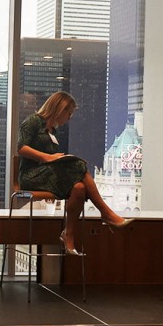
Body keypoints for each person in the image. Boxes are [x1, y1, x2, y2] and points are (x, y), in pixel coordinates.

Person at [18, 91, 132, 255]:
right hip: (30, 176)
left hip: (47, 175)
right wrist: (48, 157)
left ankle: (68, 235)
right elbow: (21, 147)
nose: (69, 118)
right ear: (59, 109)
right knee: (78, 165)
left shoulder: (53, 131)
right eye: (68, 113)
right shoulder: (33, 121)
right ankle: (106, 213)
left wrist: (56, 159)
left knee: (79, 188)